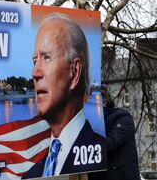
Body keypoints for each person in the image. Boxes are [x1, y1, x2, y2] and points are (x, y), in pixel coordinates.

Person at [23, 13, 105, 179]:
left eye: (46, 57)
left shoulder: (106, 158)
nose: (35, 73)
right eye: (34, 60)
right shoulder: (31, 174)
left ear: (74, 72)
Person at [89, 85, 140, 180]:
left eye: (90, 104)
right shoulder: (91, 123)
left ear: (104, 102)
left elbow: (109, 143)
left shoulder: (123, 117)